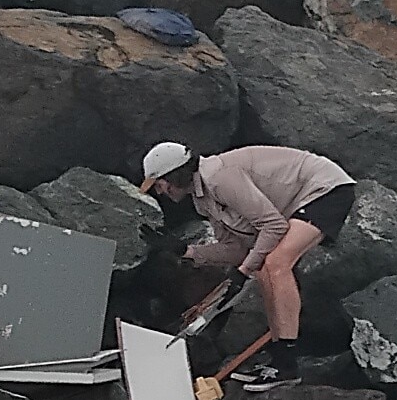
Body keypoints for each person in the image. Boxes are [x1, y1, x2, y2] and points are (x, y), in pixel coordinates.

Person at [140, 139, 352, 377]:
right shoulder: (202, 201)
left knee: (276, 264)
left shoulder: (219, 178)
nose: (161, 192)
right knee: (263, 270)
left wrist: (241, 272)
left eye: (160, 184)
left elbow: (273, 226)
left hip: (325, 188)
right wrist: (186, 251)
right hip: (295, 204)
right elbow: (238, 249)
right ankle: (280, 359)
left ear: (175, 175)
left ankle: (288, 362)